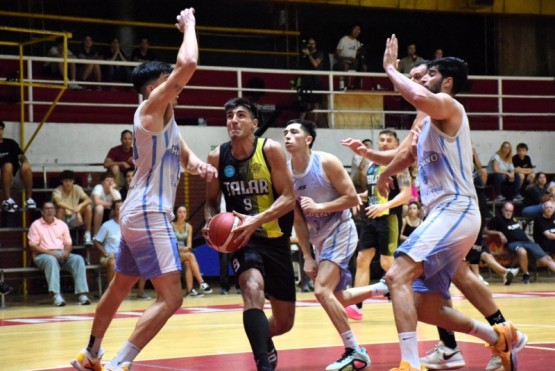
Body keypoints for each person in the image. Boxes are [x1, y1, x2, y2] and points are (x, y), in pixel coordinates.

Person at [342, 35, 522, 370]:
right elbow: (405, 154)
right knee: (427, 304)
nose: (422, 80)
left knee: (397, 277)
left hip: (456, 208)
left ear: (446, 82)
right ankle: (500, 337)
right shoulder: (425, 123)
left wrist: (388, 69)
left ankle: (409, 364)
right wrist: (379, 165)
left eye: (428, 76)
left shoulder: (448, 106)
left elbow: (414, 94)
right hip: (440, 213)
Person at [70, 8, 217, 371]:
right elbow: (190, 62)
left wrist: (200, 165)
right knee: (172, 298)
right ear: (154, 89)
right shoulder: (151, 108)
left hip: (137, 213)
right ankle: (121, 363)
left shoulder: (167, 120)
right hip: (150, 213)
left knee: (119, 288)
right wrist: (190, 27)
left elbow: (184, 157)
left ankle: (91, 354)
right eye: (169, 82)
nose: (176, 88)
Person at [285, 119, 386, 370]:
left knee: (321, 291)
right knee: (336, 297)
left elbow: (352, 198)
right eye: (285, 132)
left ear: (308, 139)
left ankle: (355, 351)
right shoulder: (286, 172)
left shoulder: (326, 162)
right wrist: (307, 256)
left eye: (294, 132)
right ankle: (383, 287)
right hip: (318, 239)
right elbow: (298, 218)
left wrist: (321, 207)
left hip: (341, 230)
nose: (287, 136)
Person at [204, 97, 296, 371]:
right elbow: (210, 202)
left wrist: (257, 220)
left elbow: (289, 197)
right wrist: (211, 224)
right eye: (230, 116)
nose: (234, 120)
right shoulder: (217, 156)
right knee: (251, 289)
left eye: (241, 115)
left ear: (254, 124)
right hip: (243, 239)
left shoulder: (270, 150)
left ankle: (262, 339)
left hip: (276, 237)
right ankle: (262, 365)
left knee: (284, 323)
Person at [347, 129, 411, 321]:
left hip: (389, 217)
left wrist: (386, 205)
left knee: (386, 262)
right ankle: (356, 306)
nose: (383, 143)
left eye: (388, 140)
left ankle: (412, 294)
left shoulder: (400, 164)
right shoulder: (373, 166)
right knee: (362, 258)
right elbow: (372, 192)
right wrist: (356, 197)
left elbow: (406, 195)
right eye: (381, 140)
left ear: (396, 144)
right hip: (370, 217)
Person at [28, 202, 91, 306]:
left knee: (78, 259)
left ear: (55, 211)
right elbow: (33, 246)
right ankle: (56, 295)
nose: (50, 211)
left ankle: (82, 294)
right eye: (47, 209)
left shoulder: (62, 224)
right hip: (43, 255)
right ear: (42, 212)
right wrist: (51, 253)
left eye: (52, 208)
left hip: (61, 253)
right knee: (51, 260)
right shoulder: (36, 225)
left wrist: (66, 252)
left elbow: (68, 243)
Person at [485, 201, 555, 282]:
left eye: (511, 211)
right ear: (503, 210)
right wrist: (499, 233)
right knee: (522, 251)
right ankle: (526, 275)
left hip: (527, 242)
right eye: (507, 210)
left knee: (547, 258)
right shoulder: (497, 219)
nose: (509, 213)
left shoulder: (514, 217)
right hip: (513, 243)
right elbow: (485, 230)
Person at [94, 200, 150, 299]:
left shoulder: (129, 225)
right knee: (112, 263)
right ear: (114, 211)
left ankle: (140, 292)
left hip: (126, 255)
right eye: (118, 209)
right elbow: (97, 241)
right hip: (110, 255)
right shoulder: (107, 225)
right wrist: (105, 253)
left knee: (143, 261)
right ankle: (111, 292)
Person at [171, 205, 212, 297]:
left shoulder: (189, 226)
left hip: (183, 253)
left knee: (188, 262)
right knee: (190, 256)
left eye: (184, 212)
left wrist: (186, 248)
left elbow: (189, 245)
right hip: (171, 253)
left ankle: (189, 291)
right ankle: (201, 282)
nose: (182, 214)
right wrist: (182, 249)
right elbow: (171, 244)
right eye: (180, 212)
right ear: (176, 214)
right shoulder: (171, 225)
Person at [0, 121, 36, 211]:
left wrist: (25, 161)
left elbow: (20, 156)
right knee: (8, 165)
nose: (0, 131)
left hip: (14, 177)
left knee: (26, 166)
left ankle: (29, 200)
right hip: (1, 177)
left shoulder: (10, 143)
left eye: (1, 129)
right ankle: (8, 199)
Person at [52, 169, 93, 246]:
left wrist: (79, 206)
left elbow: (88, 200)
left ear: (73, 181)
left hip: (74, 218)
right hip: (62, 218)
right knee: (60, 209)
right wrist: (75, 211)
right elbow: (59, 202)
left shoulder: (77, 188)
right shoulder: (57, 190)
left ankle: (87, 235)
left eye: (70, 181)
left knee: (88, 207)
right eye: (66, 181)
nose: (68, 183)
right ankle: (59, 236)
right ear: (62, 181)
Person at [298, 37, 325, 124]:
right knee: (306, 103)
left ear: (315, 44)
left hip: (316, 81)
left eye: (312, 44)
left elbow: (315, 64)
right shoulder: (304, 54)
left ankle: (314, 123)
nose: (311, 45)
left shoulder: (319, 53)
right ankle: (301, 123)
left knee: (316, 103)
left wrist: (309, 55)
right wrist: (304, 55)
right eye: (309, 44)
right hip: (306, 81)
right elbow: (300, 65)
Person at [333, 24, 367, 89]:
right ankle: (345, 87)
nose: (356, 31)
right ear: (351, 29)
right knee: (346, 66)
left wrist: (361, 52)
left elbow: (361, 53)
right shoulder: (344, 39)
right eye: (355, 29)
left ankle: (355, 85)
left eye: (358, 30)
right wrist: (348, 58)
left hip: (352, 64)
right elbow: (336, 55)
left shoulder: (357, 42)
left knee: (364, 67)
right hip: (340, 64)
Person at [91, 171, 122, 236]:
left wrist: (111, 190)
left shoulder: (115, 192)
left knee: (116, 211)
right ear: (102, 182)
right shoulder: (98, 187)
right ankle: (96, 234)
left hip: (109, 213)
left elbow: (118, 204)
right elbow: (97, 201)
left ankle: (110, 234)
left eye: (112, 180)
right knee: (99, 208)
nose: (110, 182)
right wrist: (111, 204)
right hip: (95, 212)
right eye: (107, 180)